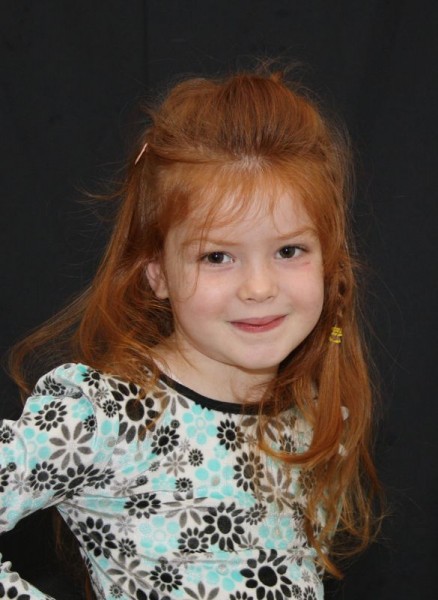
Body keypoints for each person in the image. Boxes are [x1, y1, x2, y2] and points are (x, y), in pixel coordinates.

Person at [0, 68, 381, 600]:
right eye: (217, 256)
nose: (258, 287)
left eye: (288, 250)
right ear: (157, 273)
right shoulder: (106, 414)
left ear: (328, 263)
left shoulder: (314, 417)